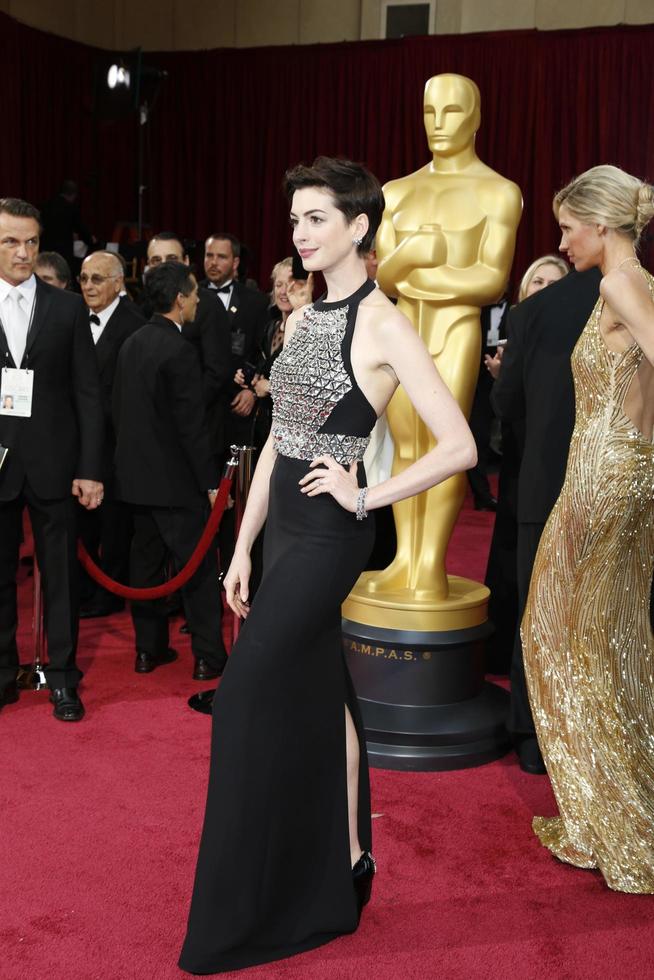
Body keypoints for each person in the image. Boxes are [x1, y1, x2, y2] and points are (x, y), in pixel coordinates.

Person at [178, 157, 476, 974]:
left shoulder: (383, 321)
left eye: (317, 218)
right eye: (298, 219)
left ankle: (254, 907)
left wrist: (368, 493)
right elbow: (279, 439)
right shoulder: (304, 319)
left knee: (239, 702)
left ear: (358, 227)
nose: (302, 233)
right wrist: (239, 548)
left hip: (332, 534)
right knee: (322, 690)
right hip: (282, 532)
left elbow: (459, 444)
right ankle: (347, 858)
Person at [521, 164, 654, 890]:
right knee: (614, 637)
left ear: (602, 225)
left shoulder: (619, 283)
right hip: (631, 471)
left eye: (569, 226)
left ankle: (621, 825)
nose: (562, 241)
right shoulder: (644, 284)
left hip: (603, 473)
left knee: (559, 636)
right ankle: (611, 814)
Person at [0, 197, 104, 722]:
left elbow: (88, 393)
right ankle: (2, 676)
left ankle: (63, 680)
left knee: (61, 577)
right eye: (10, 242)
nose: (23, 253)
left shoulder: (66, 308)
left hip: (55, 465)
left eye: (31, 242)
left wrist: (89, 467)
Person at [112, 262, 227, 682]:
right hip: (177, 488)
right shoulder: (179, 351)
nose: (197, 299)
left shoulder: (130, 343)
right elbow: (191, 430)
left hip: (135, 484)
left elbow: (118, 415)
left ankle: (148, 651)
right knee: (195, 572)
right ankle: (208, 657)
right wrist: (212, 484)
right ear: (179, 299)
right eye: (194, 293)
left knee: (144, 573)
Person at [482, 256, 569, 681]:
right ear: (525, 288)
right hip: (519, 452)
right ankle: (501, 649)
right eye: (538, 280)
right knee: (510, 544)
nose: (545, 287)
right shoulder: (518, 328)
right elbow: (508, 404)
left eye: (555, 282)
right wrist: (503, 376)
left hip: (556, 460)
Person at [77, 250, 145, 618]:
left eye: (97, 279)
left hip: (117, 444)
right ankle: (84, 589)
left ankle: (110, 593)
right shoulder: (72, 316)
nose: (88, 286)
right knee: (83, 523)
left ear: (118, 283)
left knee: (115, 524)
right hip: (79, 440)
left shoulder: (135, 324)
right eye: (84, 279)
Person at [145, 232, 232, 469]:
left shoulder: (207, 304)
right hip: (153, 437)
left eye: (171, 259)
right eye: (156, 261)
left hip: (198, 431)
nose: (163, 267)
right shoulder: (144, 305)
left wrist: (180, 412)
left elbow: (217, 372)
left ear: (185, 262)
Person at [200, 232, 270, 447]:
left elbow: (263, 351)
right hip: (200, 407)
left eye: (221, 257)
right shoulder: (189, 295)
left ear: (235, 262)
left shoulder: (256, 302)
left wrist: (252, 392)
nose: (213, 262)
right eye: (209, 255)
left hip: (239, 407)